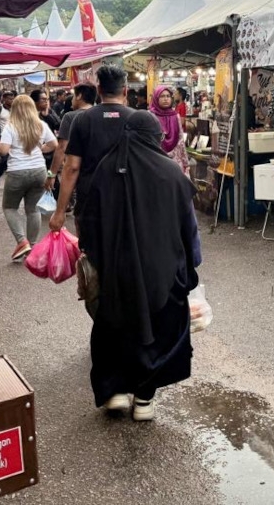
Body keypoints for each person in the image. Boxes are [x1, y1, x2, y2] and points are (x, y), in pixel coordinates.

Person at [77, 109, 201, 419]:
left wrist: (96, 257)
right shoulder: (171, 173)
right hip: (163, 274)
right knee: (159, 332)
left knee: (114, 329)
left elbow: (89, 224)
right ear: (154, 137)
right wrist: (191, 266)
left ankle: (116, 392)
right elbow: (188, 227)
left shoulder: (106, 169)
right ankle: (144, 398)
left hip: (114, 275)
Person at [50, 66, 137, 239]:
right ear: (125, 90)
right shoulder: (139, 119)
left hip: (91, 198)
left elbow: (72, 167)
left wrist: (60, 211)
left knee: (90, 252)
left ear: (99, 90)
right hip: (128, 197)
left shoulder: (82, 120)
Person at [0, 95, 57, 261]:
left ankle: (22, 241)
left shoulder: (11, 126)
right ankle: (33, 245)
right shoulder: (41, 124)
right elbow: (54, 144)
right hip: (39, 170)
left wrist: (1, 149)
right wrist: (41, 149)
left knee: (9, 207)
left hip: (17, 171)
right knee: (33, 209)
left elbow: (3, 150)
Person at [48, 83, 98, 193]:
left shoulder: (70, 116)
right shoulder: (102, 115)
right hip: (100, 171)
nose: (72, 100)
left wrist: (51, 174)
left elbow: (62, 148)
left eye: (74, 96)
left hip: (78, 171)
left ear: (79, 96)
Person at [151, 85, 189, 175]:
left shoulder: (175, 115)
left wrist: (185, 163)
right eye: (162, 96)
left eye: (168, 96)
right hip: (157, 158)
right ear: (156, 98)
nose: (166, 99)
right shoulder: (150, 116)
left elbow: (180, 138)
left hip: (175, 159)